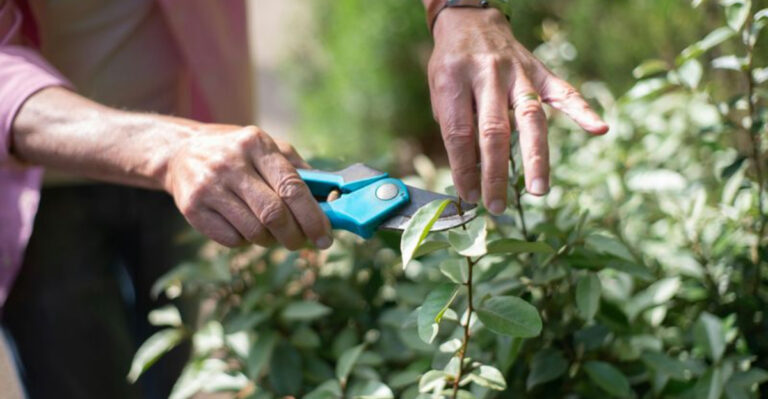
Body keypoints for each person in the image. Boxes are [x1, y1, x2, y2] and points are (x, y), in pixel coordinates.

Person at [0, 0, 608, 397]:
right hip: (35, 179)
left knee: (180, 373)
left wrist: (460, 9)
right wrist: (166, 148)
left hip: (207, 149)